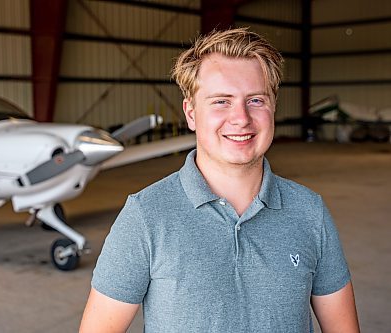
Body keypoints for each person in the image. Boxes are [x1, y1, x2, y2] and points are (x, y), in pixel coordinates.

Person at [80, 27, 360, 333]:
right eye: (221, 101)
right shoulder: (146, 216)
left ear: (273, 107)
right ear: (190, 113)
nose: (241, 118)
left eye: (255, 100)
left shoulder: (309, 211)